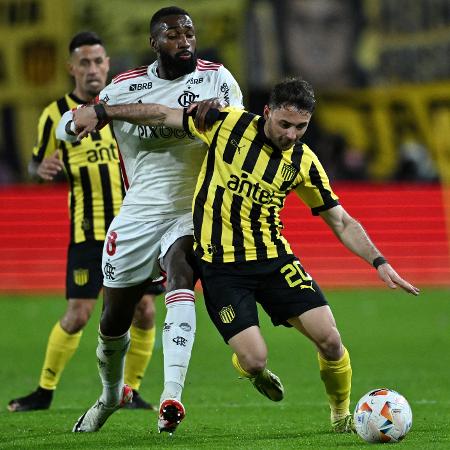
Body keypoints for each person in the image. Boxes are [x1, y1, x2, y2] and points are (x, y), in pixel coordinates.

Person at [70, 77, 420, 433]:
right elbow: (160, 114)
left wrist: (380, 261)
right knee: (254, 360)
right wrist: (103, 111)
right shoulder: (227, 125)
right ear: (266, 112)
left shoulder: (304, 162)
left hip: (274, 260)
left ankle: (341, 415)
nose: (291, 134)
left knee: (330, 339)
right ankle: (254, 372)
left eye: (301, 127)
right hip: (222, 269)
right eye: (284, 124)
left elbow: (341, 221)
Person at [56, 7, 243, 433]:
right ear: (154, 43)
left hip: (193, 208)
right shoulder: (125, 88)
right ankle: (110, 395)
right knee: (112, 320)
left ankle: (170, 397)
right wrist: (80, 118)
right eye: (172, 34)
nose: (184, 41)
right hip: (138, 214)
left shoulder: (219, 80)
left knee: (183, 271)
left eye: (189, 32)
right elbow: (68, 129)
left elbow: (232, 136)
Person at [7, 31, 163, 414]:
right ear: (71, 68)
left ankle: (131, 390)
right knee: (78, 314)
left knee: (144, 310)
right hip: (88, 234)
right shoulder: (54, 115)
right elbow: (34, 162)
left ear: (108, 65)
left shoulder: (124, 106)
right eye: (85, 63)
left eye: (98, 61)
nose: (93, 69)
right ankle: (44, 390)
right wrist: (38, 168)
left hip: (134, 232)